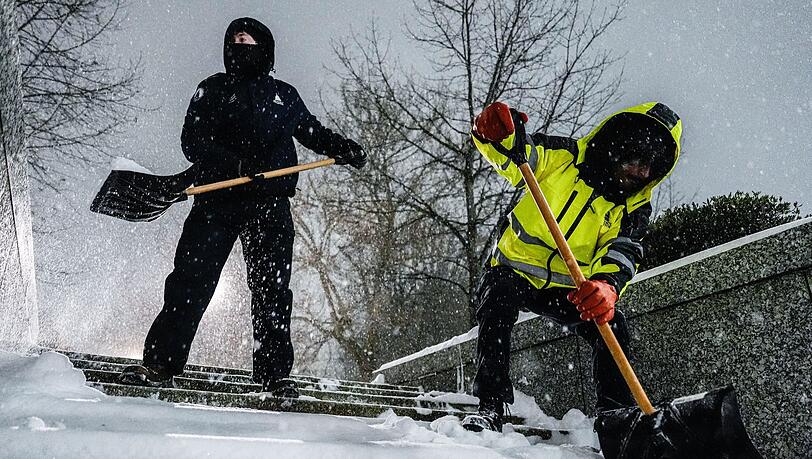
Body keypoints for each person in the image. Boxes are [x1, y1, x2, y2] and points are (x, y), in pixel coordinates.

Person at [119, 17, 366, 397]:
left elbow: (312, 131)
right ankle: (159, 364)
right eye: (234, 40)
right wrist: (235, 164)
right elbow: (192, 141)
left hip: (270, 205)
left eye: (247, 39)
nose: (240, 44)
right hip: (216, 201)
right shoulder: (212, 89)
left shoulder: (284, 95)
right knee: (190, 283)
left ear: (264, 49)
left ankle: (273, 376)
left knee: (273, 291)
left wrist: (343, 148)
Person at [461, 101, 682, 432]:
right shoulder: (562, 157)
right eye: (635, 160)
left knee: (613, 327)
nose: (640, 173)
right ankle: (490, 405)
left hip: (569, 289)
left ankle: (615, 421)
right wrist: (495, 133)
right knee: (497, 299)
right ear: (619, 147)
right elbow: (516, 153)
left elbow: (623, 251)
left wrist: (606, 287)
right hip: (514, 270)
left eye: (649, 168)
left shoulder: (633, 209)